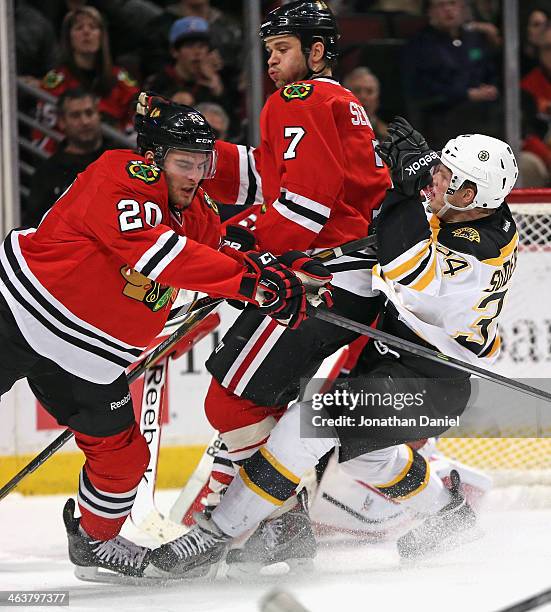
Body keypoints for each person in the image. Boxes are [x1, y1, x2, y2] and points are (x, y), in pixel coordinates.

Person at [145, 118, 520, 577]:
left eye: (446, 177)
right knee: (368, 455)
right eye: (439, 169)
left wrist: (405, 190)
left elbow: (405, 266)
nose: (435, 179)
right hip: (404, 360)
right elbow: (388, 242)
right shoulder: (475, 215)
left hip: (431, 379)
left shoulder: (476, 251)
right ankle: (449, 513)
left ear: (468, 196)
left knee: (311, 424)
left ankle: (214, 535)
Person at [0, 93, 327, 581]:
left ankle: (95, 543)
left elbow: (220, 258)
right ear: (152, 158)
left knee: (124, 457)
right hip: (18, 311)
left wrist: (278, 275)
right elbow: (156, 252)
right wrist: (250, 283)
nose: (195, 175)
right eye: (183, 162)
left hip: (89, 357)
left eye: (203, 163)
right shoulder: (119, 174)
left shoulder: (198, 213)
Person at [151, 0, 390, 576]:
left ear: (316, 51)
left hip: (318, 280)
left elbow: (302, 208)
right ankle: (280, 525)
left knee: (227, 400)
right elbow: (271, 175)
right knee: (260, 403)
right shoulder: (340, 102)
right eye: (269, 51)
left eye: (283, 49)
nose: (273, 63)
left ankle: (272, 524)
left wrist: (231, 246)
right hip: (350, 279)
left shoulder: (300, 99)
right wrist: (192, 158)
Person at [34, 7, 139, 153]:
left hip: (114, 157)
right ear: (68, 37)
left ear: (102, 36)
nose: (86, 32)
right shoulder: (55, 81)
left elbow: (136, 122)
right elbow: (44, 134)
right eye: (79, 28)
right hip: (70, 158)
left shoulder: (120, 78)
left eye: (93, 27)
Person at [402, 0, 501, 148]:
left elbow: (489, 70)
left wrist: (491, 87)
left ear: (462, 7)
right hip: (443, 113)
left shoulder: (474, 39)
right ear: (430, 11)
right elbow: (423, 87)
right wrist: (466, 94)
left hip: (482, 108)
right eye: (441, 5)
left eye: (453, 3)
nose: (448, 10)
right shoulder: (419, 45)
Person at [25, 88, 115, 227]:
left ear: (99, 115)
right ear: (62, 122)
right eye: (75, 115)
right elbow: (35, 226)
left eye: (89, 113)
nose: (84, 121)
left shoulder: (120, 158)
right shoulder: (47, 172)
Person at [342, 66, 388, 142]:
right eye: (357, 91)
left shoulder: (389, 137)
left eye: (369, 91)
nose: (363, 97)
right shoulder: (333, 132)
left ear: (377, 99)